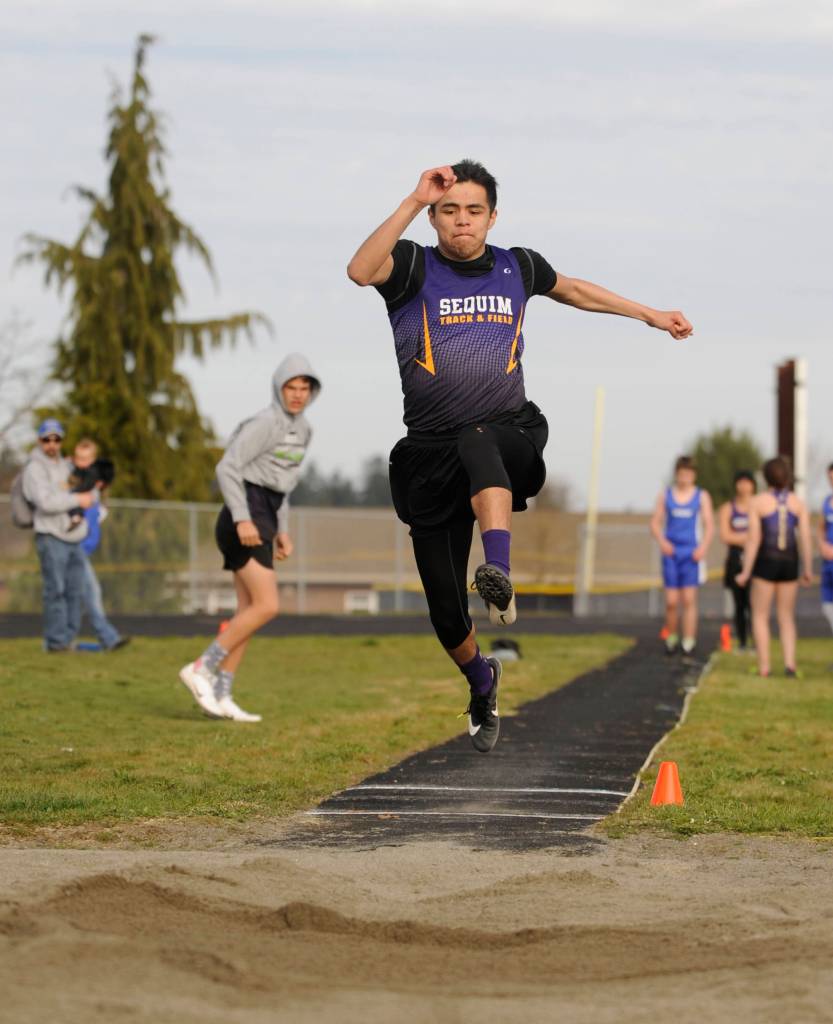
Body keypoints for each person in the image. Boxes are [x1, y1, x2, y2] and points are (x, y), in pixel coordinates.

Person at [347, 160, 693, 752]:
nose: (462, 221)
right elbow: (358, 271)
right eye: (450, 211)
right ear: (434, 218)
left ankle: (499, 571)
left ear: (492, 217)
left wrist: (650, 314)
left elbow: (577, 289)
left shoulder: (517, 265)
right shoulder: (410, 266)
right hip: (429, 454)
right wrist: (411, 197)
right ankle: (482, 680)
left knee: (479, 436)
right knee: (446, 614)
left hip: (507, 437)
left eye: (473, 211)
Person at [179, 354, 321, 722]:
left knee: (248, 612)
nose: (298, 395)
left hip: (267, 514)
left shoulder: (304, 430)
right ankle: (201, 669)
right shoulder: (265, 422)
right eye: (291, 387)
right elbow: (226, 467)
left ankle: (223, 693)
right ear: (279, 387)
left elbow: (283, 483)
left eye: (305, 388)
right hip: (245, 513)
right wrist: (243, 519)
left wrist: (283, 530)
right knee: (267, 606)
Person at [21, 419, 97, 652]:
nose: (52, 444)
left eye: (56, 439)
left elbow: (86, 486)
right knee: (56, 591)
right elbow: (45, 502)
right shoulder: (34, 468)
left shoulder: (66, 466)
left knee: (75, 591)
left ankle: (68, 639)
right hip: (50, 536)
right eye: (47, 439)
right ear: (40, 440)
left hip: (74, 538)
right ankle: (56, 643)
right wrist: (76, 500)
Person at [735, 456, 812, 677]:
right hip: (790, 563)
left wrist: (745, 572)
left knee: (760, 615)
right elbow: (805, 538)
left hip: (765, 564)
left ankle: (765, 666)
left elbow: (753, 540)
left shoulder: (758, 502)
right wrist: (807, 568)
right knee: (786, 616)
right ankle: (789, 665)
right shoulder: (797, 503)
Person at [650, 456, 714, 657]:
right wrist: (663, 542)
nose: (685, 477)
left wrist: (703, 548)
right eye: (681, 474)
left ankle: (688, 640)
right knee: (671, 601)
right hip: (671, 552)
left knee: (688, 600)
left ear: (694, 475)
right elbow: (655, 523)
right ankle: (671, 637)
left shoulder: (701, 496)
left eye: (688, 474)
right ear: (676, 474)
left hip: (691, 553)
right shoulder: (666, 495)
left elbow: (710, 525)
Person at [71, 438, 129, 652]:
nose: (82, 462)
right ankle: (108, 638)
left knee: (77, 596)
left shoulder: (94, 486)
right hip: (74, 548)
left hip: (84, 550)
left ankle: (65, 641)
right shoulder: (75, 483)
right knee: (92, 592)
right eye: (78, 458)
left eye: (86, 458)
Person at [718, 469, 756, 651]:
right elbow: (725, 535)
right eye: (740, 482)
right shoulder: (728, 508)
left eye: (747, 482)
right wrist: (748, 538)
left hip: (755, 561)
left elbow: (761, 535)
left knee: (754, 604)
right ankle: (742, 641)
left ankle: (757, 641)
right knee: (739, 604)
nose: (744, 486)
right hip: (735, 560)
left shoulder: (758, 506)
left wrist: (747, 538)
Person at [819, 462, 833, 638]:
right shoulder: (826, 502)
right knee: (827, 606)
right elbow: (821, 528)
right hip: (827, 564)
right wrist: (822, 544)